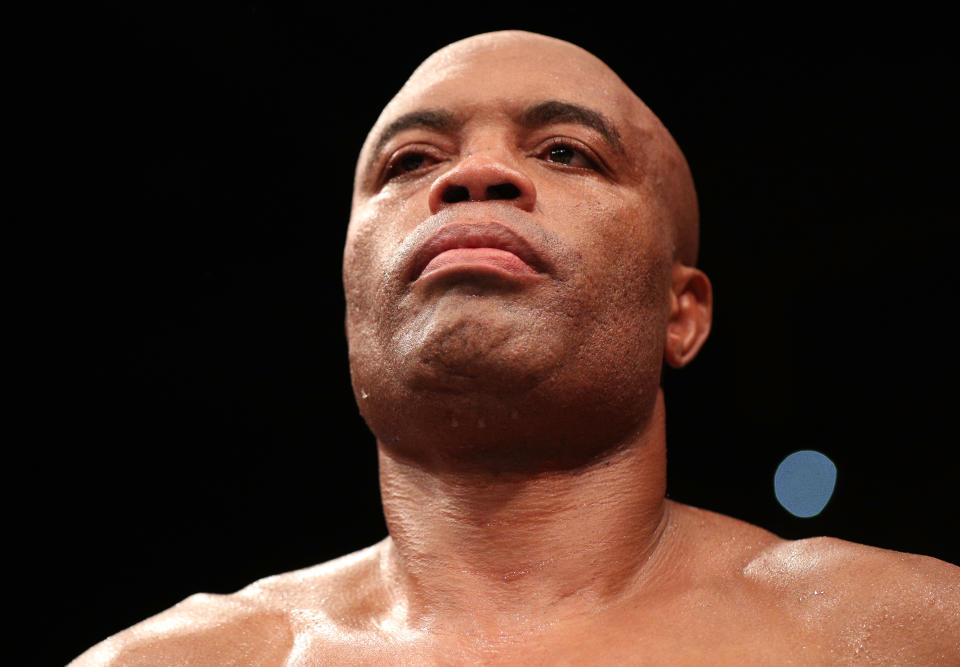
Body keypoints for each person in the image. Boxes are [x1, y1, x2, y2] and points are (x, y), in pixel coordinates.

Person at [72, 30, 959, 665]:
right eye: (410, 161)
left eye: (568, 152)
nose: (473, 175)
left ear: (680, 312)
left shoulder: (907, 634)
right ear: (352, 299)